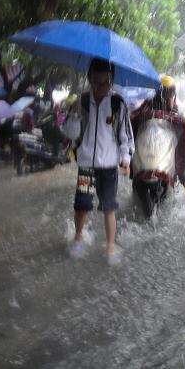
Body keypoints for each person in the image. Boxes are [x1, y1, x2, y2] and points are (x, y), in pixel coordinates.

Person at [64, 58, 134, 265]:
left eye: (105, 82)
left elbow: (125, 136)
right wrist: (74, 116)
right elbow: (69, 134)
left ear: (111, 81)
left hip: (108, 166)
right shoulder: (82, 102)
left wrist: (126, 159)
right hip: (86, 164)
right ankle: (78, 238)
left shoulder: (117, 103)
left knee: (109, 206)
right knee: (82, 204)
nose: (100, 86)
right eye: (96, 81)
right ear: (89, 78)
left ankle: (110, 245)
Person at [131, 75, 185, 218]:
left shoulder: (175, 111)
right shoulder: (145, 107)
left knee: (178, 161)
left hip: (165, 148)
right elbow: (134, 123)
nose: (166, 96)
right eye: (163, 93)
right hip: (147, 146)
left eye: (169, 93)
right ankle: (133, 180)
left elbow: (182, 129)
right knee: (133, 162)